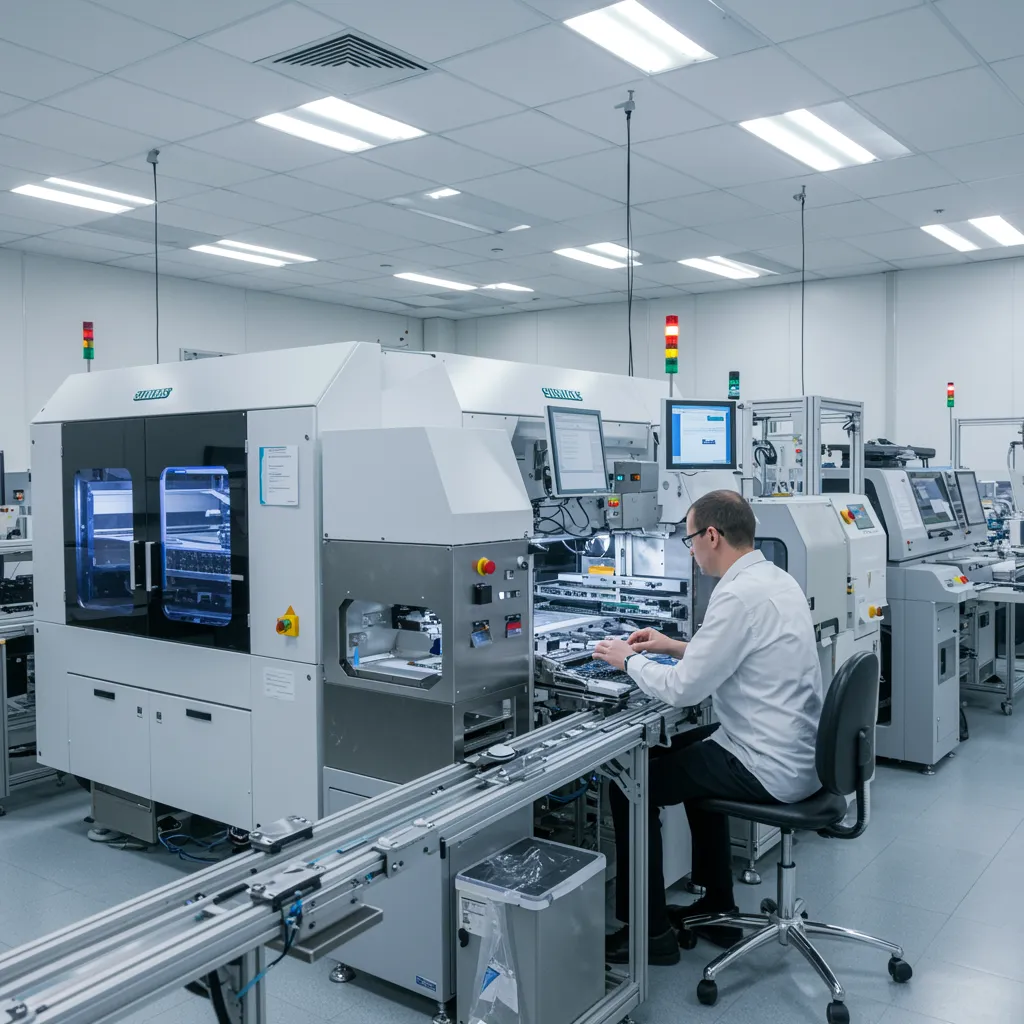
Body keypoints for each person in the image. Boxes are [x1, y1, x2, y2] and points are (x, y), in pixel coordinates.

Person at [593, 489, 824, 966]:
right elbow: (734, 650)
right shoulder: (773, 579)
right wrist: (671, 645)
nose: (691, 549)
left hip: (766, 763)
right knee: (673, 753)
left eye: (690, 539)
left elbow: (682, 690)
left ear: (712, 536)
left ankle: (649, 934)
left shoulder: (736, 595)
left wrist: (627, 660)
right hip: (795, 751)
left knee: (629, 785)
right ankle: (718, 908)